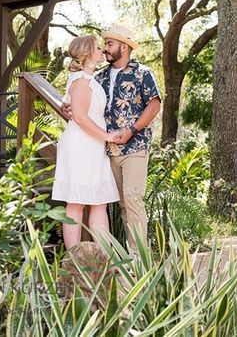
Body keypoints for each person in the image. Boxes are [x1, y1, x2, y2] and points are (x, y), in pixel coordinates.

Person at [63, 25, 161, 249]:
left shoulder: (142, 73)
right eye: (103, 44)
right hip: (105, 150)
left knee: (133, 200)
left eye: (109, 44)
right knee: (121, 204)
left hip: (134, 146)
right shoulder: (99, 77)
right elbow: (80, 102)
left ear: (123, 47)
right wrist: (66, 108)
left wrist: (132, 131)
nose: (105, 49)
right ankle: (119, 256)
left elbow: (154, 105)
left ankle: (139, 259)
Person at [52, 35, 121, 249]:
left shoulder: (88, 78)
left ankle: (104, 255)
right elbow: (80, 117)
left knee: (99, 201)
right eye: (98, 48)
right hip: (81, 145)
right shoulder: (81, 80)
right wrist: (107, 136)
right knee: (76, 202)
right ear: (87, 54)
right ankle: (74, 257)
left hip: (93, 147)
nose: (102, 50)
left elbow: (70, 105)